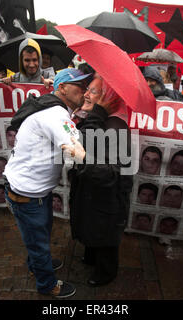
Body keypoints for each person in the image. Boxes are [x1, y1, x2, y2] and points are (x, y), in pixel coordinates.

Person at [3, 68, 92, 298]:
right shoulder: (55, 114)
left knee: (39, 234)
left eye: (86, 87)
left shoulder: (52, 109)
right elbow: (75, 150)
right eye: (79, 86)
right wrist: (100, 163)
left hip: (30, 190)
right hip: (28, 194)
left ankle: (38, 262)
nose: (84, 91)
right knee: (38, 241)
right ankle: (47, 284)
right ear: (61, 88)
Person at [66, 74, 133, 288]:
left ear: (110, 98)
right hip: (93, 195)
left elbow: (107, 173)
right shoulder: (100, 118)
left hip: (108, 199)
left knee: (105, 236)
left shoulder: (115, 127)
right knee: (93, 228)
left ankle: (106, 273)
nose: (85, 94)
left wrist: (83, 158)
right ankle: (91, 257)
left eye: (94, 91)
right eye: (87, 89)